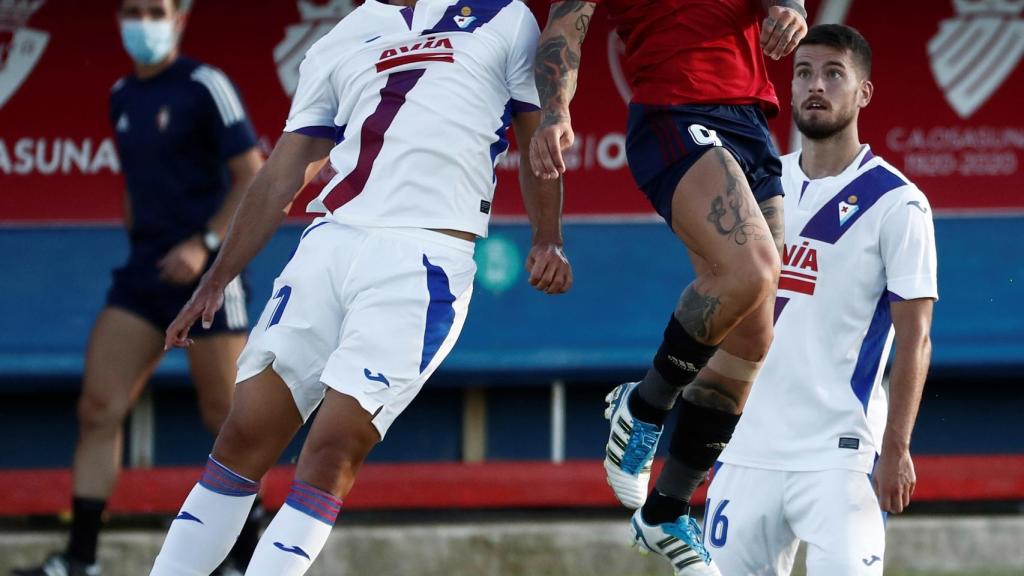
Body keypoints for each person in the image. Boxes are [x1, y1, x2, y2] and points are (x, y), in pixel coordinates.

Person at [146, 0, 572, 574]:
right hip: (327, 245)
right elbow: (283, 170)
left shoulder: (505, 16)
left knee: (332, 449)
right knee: (242, 435)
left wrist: (547, 237)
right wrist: (216, 277)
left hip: (424, 262)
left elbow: (537, 131)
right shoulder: (344, 34)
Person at [531, 1, 805, 573]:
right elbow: (563, 29)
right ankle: (643, 403)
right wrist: (556, 112)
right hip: (676, 111)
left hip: (751, 120)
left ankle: (668, 508)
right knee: (750, 269)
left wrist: (792, 10)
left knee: (754, 330)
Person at [12, 1, 265, 575]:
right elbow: (133, 186)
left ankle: (245, 560)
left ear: (179, 19)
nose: (143, 20)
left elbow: (253, 171)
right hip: (145, 275)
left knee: (229, 418)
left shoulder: (206, 85)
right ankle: (81, 560)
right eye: (133, 9)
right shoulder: (122, 94)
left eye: (156, 10)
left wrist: (204, 243)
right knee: (99, 406)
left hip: (208, 278)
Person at [706, 24, 937, 575]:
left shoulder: (899, 203)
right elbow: (719, 310)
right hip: (745, 450)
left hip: (841, 458)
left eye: (835, 74)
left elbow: (916, 338)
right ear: (788, 89)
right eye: (804, 73)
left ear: (864, 93)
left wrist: (897, 447)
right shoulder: (756, 184)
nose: (816, 86)